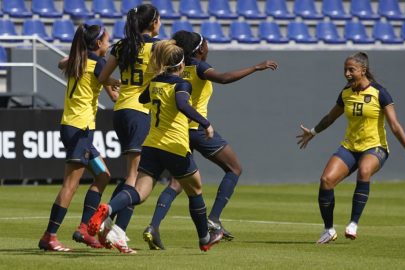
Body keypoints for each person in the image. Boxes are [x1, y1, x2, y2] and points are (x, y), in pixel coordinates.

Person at [142, 30, 278, 250]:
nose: (208, 45)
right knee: (234, 168)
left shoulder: (175, 65)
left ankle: (154, 226)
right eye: (205, 43)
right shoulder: (198, 66)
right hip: (197, 130)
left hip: (179, 131)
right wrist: (255, 67)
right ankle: (214, 219)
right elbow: (223, 78)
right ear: (199, 49)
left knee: (177, 183)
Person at [87, 39, 223, 253]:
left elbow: (142, 99)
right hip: (175, 145)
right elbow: (182, 104)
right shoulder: (181, 84)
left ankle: (108, 208)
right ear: (180, 66)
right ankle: (205, 238)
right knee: (195, 188)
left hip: (151, 145)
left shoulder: (155, 82)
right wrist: (205, 123)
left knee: (139, 192)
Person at [296, 52, 405, 244]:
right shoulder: (346, 93)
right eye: (345, 70)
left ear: (363, 70)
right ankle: (328, 230)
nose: (347, 73)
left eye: (351, 69)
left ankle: (353, 224)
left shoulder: (379, 93)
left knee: (365, 171)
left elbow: (394, 125)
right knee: (326, 180)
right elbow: (330, 117)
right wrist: (313, 132)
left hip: (375, 147)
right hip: (350, 147)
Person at [38, 24, 120, 251]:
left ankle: (84, 229)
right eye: (106, 41)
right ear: (97, 44)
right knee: (70, 185)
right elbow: (112, 86)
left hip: (74, 128)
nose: (109, 44)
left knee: (103, 175)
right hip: (80, 130)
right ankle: (50, 236)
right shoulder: (99, 64)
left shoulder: (80, 60)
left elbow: (61, 63)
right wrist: (124, 83)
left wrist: (111, 84)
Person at [95, 4, 161, 252]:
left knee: (131, 175)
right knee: (137, 178)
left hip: (121, 111)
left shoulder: (122, 46)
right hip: (140, 113)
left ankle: (111, 224)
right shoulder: (157, 47)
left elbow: (102, 77)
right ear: (153, 22)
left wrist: (116, 88)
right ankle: (115, 229)